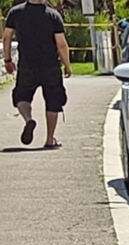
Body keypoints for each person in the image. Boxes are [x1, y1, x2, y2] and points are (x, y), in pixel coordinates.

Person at [3, 0, 69, 150]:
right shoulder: (53, 15)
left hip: (27, 65)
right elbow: (61, 44)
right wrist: (67, 65)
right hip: (50, 66)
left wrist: (7, 60)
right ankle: (50, 139)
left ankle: (28, 120)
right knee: (53, 100)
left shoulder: (16, 12)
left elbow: (6, 37)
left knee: (21, 97)